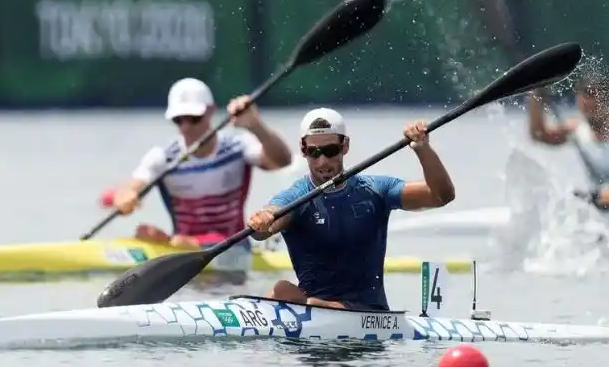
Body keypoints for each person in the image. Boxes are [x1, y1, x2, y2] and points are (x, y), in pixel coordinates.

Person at [246, 108, 456, 311]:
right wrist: (263, 221)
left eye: (330, 151)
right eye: (313, 152)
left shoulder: (377, 190)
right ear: (303, 150)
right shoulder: (297, 195)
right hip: (313, 314)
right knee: (281, 290)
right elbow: (266, 226)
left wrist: (422, 149)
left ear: (345, 146)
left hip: (370, 314)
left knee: (283, 290)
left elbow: (441, 196)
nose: (322, 161)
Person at [112, 77, 293, 248]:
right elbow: (132, 185)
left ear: (211, 110)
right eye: (178, 120)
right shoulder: (164, 157)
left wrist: (256, 126)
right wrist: (126, 196)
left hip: (234, 247)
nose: (185, 127)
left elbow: (283, 161)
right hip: (180, 247)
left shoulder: (238, 146)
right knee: (145, 233)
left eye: (193, 118)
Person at [527, 72, 609, 235]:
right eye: (583, 97)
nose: (587, 103)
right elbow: (539, 135)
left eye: (593, 96)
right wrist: (537, 95)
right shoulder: (576, 129)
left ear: (607, 100)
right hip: (601, 213)